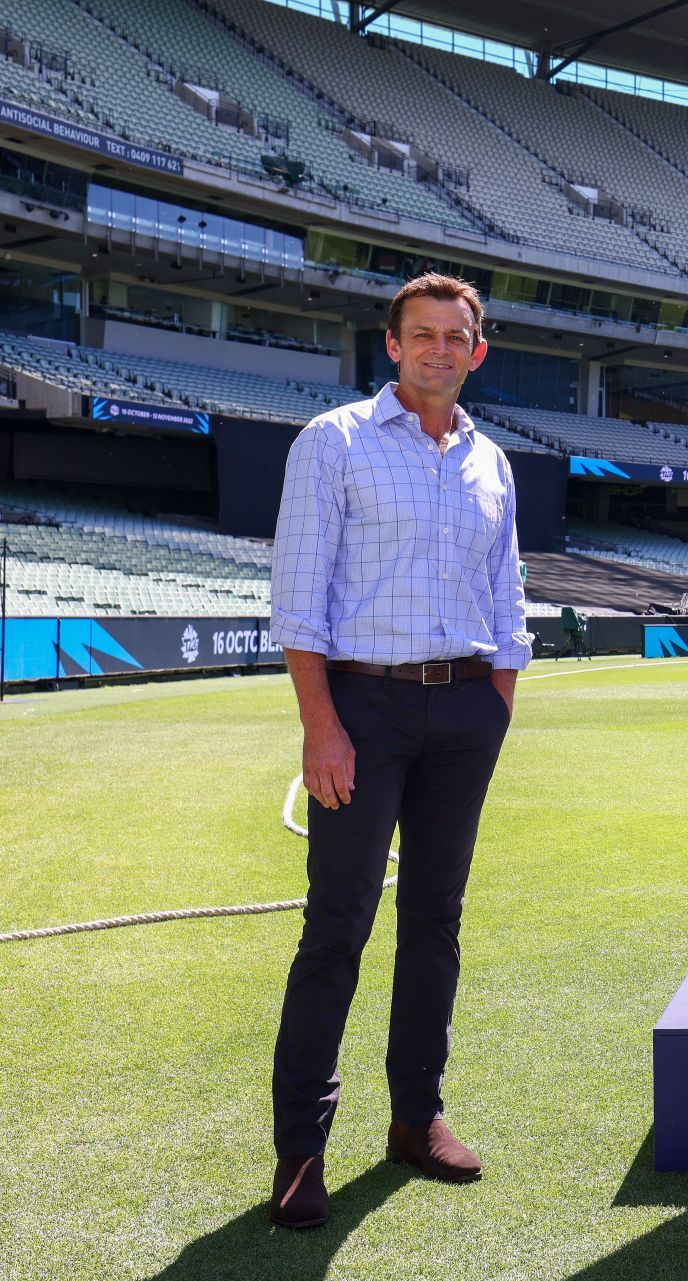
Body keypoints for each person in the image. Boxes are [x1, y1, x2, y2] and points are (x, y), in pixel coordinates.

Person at [265, 273, 530, 1229]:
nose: (438, 350)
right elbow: (298, 598)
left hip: (463, 710)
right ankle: (302, 1150)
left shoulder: (491, 462)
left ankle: (417, 1118)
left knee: (435, 919)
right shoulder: (332, 443)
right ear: (393, 344)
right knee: (337, 924)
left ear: (476, 351)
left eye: (455, 337)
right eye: (421, 335)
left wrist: (497, 701)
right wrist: (319, 722)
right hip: (362, 711)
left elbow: (507, 595)